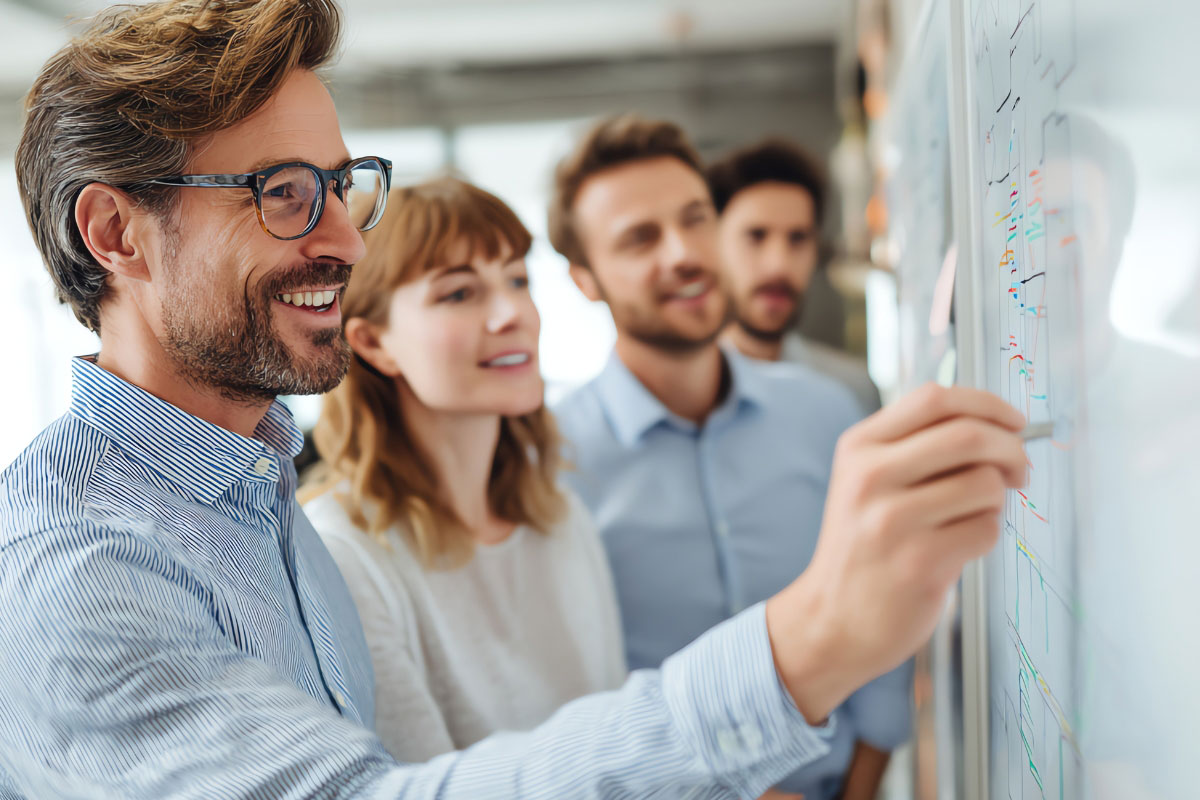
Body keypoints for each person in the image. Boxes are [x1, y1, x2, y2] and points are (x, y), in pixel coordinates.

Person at [0, 0, 1029, 796]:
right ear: (117, 234)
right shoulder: (82, 567)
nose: (347, 239)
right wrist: (808, 643)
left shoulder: (248, 489)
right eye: (282, 194)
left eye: (342, 184)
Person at [548, 115, 906, 800]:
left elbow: (879, 607)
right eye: (640, 238)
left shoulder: (828, 414)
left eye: (695, 218)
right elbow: (569, 693)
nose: (684, 253)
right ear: (585, 279)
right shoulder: (547, 461)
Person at [300, 177, 626, 761]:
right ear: (374, 344)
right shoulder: (345, 552)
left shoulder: (561, 518)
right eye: (458, 294)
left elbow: (622, 749)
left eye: (518, 280)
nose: (513, 314)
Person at [707, 138, 882, 414]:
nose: (779, 265)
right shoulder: (685, 400)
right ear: (712, 246)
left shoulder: (852, 393)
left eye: (798, 238)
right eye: (756, 236)